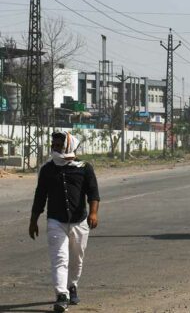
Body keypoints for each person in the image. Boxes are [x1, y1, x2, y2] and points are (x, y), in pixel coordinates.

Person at [29, 131, 100, 312]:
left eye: (59, 144)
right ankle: (61, 296)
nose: (55, 147)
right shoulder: (47, 170)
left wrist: (93, 213)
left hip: (79, 221)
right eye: (53, 144)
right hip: (56, 221)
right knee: (60, 258)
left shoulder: (84, 168)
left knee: (76, 259)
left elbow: (93, 193)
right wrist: (33, 220)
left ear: (69, 145)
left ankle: (72, 286)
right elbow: (40, 197)